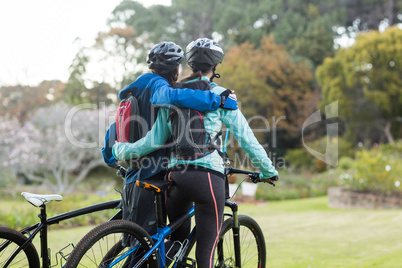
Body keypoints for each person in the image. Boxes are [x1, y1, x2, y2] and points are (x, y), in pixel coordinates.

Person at [113, 38, 278, 268]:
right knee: (205, 256)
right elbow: (247, 139)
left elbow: (153, 140)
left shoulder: (173, 93)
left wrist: (121, 149)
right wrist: (268, 171)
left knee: (177, 242)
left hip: (175, 177)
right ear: (216, 67)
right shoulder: (222, 97)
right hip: (207, 177)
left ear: (189, 64)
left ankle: (140, 264)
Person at [101, 41, 238, 237]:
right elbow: (168, 96)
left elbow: (115, 130)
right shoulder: (159, 85)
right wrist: (217, 100)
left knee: (138, 248)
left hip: (133, 178)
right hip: (150, 178)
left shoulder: (134, 93)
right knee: (146, 253)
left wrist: (111, 157)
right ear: (175, 68)